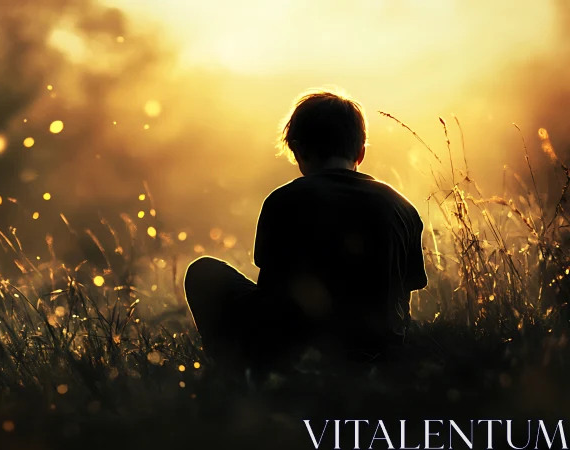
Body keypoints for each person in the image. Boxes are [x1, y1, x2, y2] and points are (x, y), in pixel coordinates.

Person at [183, 88, 428, 374]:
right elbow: (404, 297)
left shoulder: (284, 200)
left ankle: (239, 374)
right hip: (378, 353)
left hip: (299, 354)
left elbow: (270, 292)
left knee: (204, 272)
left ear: (298, 150)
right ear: (360, 152)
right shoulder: (403, 207)